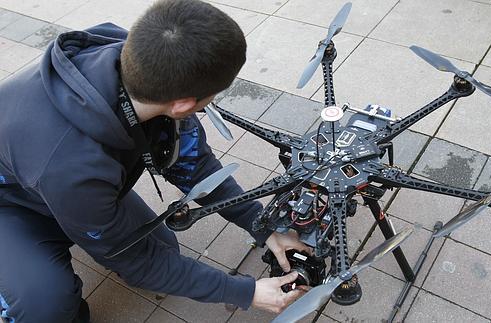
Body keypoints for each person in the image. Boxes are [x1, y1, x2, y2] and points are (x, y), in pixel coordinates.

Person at [0, 0, 309, 322]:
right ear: (182, 104)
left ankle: (79, 229)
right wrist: (247, 293)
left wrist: (262, 226)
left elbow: (194, 166)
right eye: (212, 96)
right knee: (47, 305)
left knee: (164, 251)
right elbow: (136, 263)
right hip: (12, 204)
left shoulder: (145, 65)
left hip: (56, 185)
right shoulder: (74, 167)